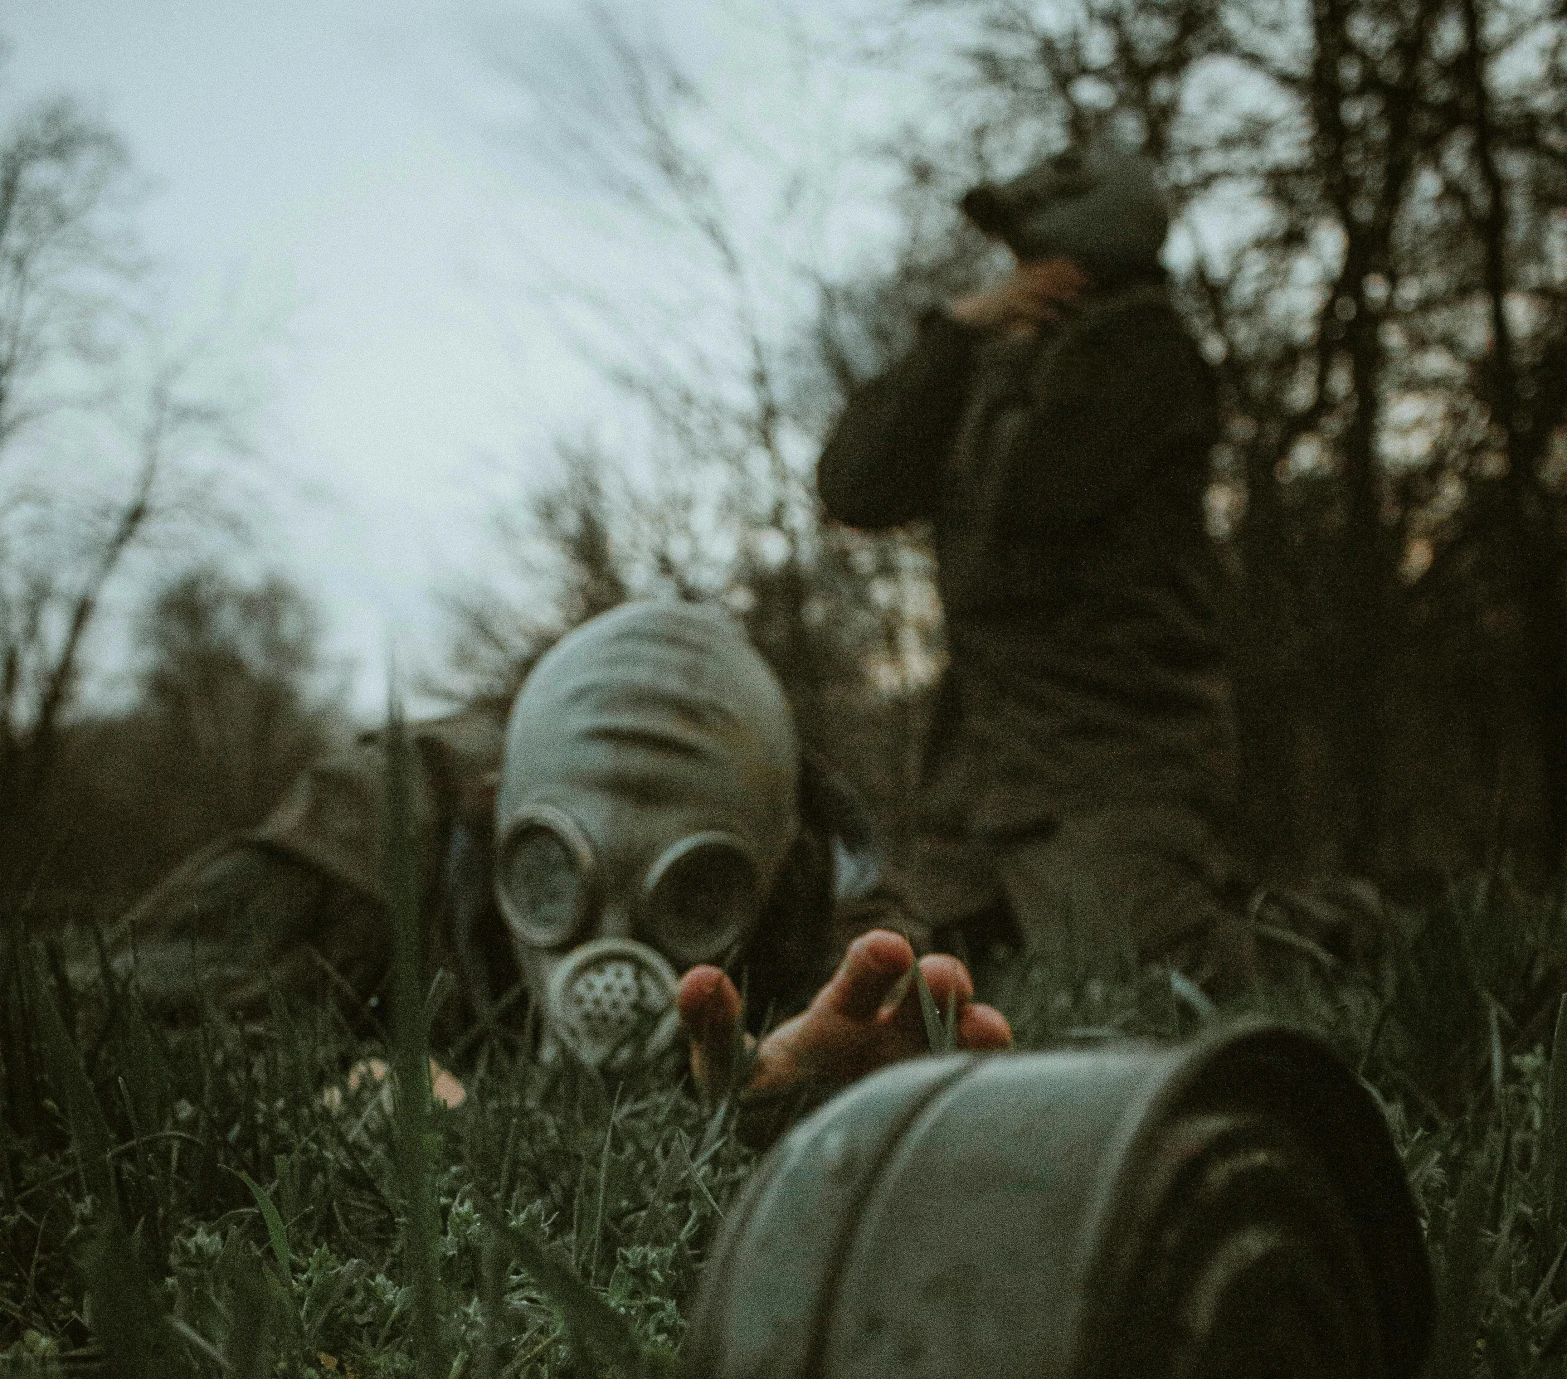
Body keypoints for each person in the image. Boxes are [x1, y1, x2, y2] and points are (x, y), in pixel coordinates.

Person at [110, 600, 1011, 1115]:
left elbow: (888, 1008)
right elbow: (109, 996)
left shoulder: (822, 883)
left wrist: (833, 1095)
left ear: (777, 863)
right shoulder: (382, 823)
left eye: (692, 895)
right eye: (554, 874)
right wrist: (323, 1072)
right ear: (493, 817)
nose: (609, 956)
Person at [816, 133, 1256, 994]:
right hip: (982, 791)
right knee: (879, 980)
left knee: (1150, 983)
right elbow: (855, 484)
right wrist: (955, 334)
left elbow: (1023, 512)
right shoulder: (995, 353)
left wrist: (1002, 361)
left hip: (1112, 765)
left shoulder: (1146, 350)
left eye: (1039, 246)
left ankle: (1349, 927)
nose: (1021, 265)